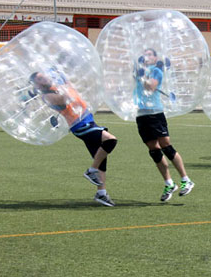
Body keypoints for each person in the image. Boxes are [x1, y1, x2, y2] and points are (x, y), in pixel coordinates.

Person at [29, 68, 118, 207]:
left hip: (88, 120)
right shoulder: (48, 96)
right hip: (80, 126)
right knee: (110, 140)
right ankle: (91, 171)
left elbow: (69, 84)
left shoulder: (57, 86)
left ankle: (101, 193)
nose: (44, 78)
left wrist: (61, 74)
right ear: (37, 85)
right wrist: (61, 84)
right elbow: (64, 99)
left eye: (43, 76)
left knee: (100, 157)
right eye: (40, 79)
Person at [135, 48, 194, 202]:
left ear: (155, 58)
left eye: (149, 55)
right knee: (153, 149)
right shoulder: (141, 71)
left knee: (165, 145)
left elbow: (151, 86)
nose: (146, 57)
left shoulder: (156, 72)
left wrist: (141, 75)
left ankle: (185, 179)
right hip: (141, 113)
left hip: (155, 112)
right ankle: (169, 183)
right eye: (144, 54)